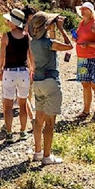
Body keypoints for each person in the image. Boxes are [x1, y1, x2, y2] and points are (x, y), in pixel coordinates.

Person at [29, 11, 72, 164]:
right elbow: (69, 46)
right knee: (50, 123)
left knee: (38, 120)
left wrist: (51, 28)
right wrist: (61, 28)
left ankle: (38, 152)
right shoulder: (49, 44)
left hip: (38, 82)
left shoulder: (32, 42)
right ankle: (47, 157)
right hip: (51, 82)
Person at [0, 8, 34, 143]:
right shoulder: (27, 36)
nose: (7, 22)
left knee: (8, 105)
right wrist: (32, 70)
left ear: (13, 22)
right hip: (23, 71)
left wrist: (0, 69)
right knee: (23, 104)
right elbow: (31, 55)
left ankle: (9, 133)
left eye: (9, 20)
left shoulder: (6, 36)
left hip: (9, 72)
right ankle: (23, 131)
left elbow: (2, 55)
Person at [74, 1, 95, 121]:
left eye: (85, 9)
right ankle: (86, 111)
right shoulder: (81, 23)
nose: (83, 11)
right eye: (81, 9)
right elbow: (79, 37)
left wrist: (88, 44)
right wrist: (75, 38)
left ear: (91, 11)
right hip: (82, 58)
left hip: (93, 58)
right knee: (85, 85)